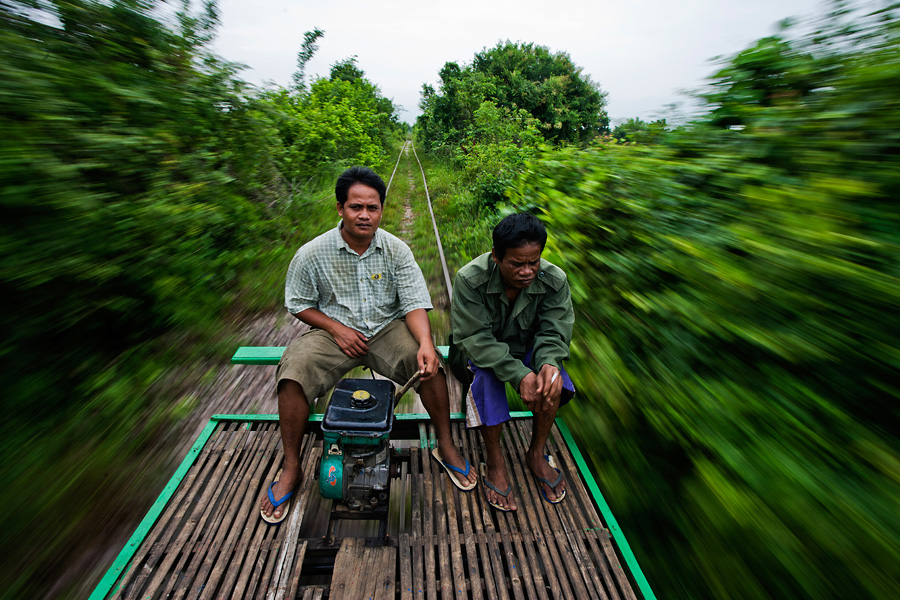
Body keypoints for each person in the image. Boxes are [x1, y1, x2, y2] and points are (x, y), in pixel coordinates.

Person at [260, 166, 477, 524]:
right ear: (340, 208)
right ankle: (292, 465)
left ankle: (446, 445)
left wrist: (425, 341)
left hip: (386, 329)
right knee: (294, 372)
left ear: (381, 209)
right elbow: (298, 301)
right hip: (333, 332)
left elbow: (413, 303)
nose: (364, 215)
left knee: (431, 364)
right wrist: (335, 328)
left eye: (372, 208)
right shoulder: (312, 253)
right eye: (356, 207)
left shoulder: (396, 250)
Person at [449, 213, 575, 512]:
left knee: (554, 381)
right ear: (496, 257)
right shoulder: (470, 278)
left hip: (528, 349)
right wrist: (519, 375)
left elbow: (553, 331)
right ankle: (495, 460)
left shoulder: (554, 280)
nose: (526, 271)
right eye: (516, 264)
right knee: (487, 381)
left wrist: (547, 366)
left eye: (533, 262)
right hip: (479, 354)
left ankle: (536, 452)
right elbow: (475, 338)